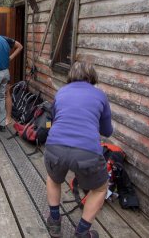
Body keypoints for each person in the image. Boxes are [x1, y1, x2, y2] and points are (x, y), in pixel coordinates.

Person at [44, 61, 113, 238]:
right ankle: (82, 232)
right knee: (99, 189)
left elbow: (52, 118)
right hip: (87, 151)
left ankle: (54, 222)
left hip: (55, 146)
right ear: (92, 77)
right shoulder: (100, 95)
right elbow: (107, 131)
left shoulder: (61, 92)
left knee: (53, 178)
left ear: (71, 75)